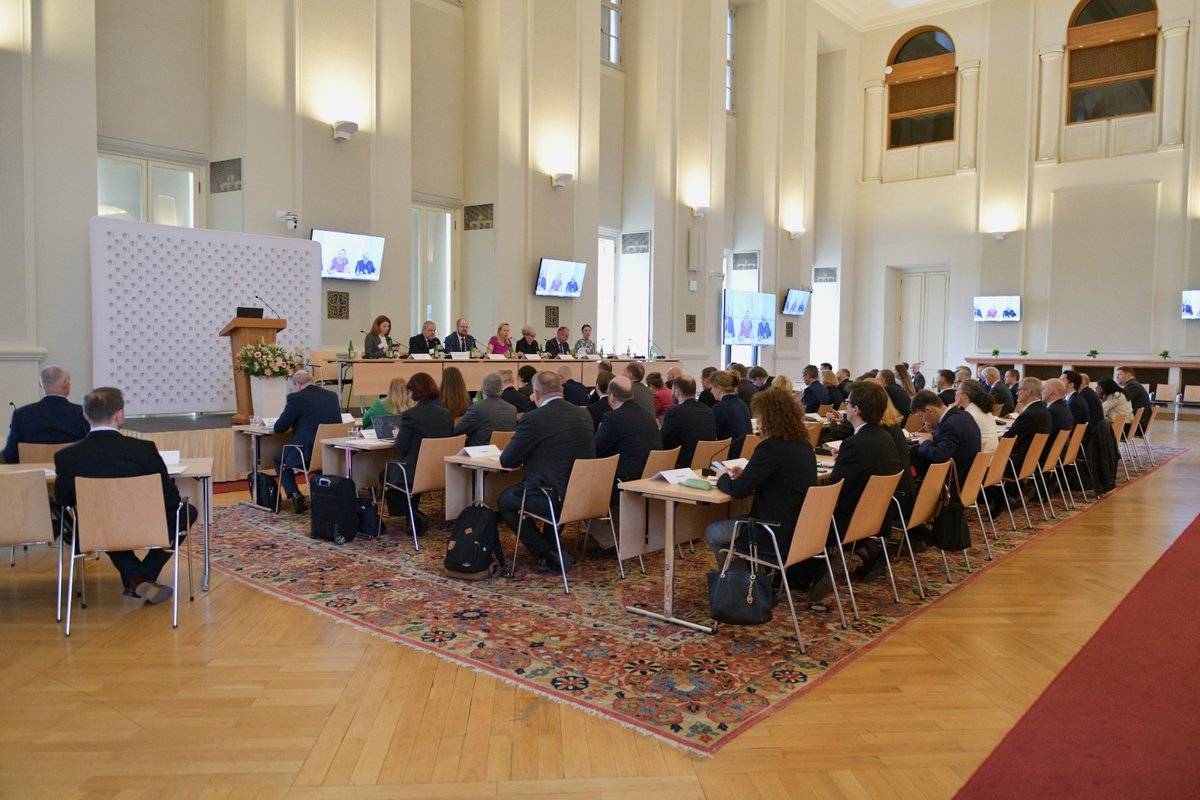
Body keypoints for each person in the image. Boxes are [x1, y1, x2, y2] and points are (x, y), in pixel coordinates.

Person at [54, 387, 197, 605]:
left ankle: (136, 577)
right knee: (187, 511)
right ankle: (141, 577)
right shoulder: (143, 450)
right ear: (119, 414)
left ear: (85, 415)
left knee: (98, 524)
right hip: (144, 525)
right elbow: (170, 499)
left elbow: (63, 500)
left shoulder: (66, 456)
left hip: (96, 529)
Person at [704, 388, 817, 573]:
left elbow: (739, 491)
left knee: (713, 531)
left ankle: (742, 584)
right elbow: (778, 478)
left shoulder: (770, 448)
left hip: (772, 532)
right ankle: (757, 577)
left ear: (768, 417)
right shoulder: (804, 445)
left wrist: (723, 475)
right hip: (799, 528)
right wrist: (748, 473)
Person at [810, 381, 904, 599]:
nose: (845, 406)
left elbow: (836, 488)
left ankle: (817, 567)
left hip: (847, 521)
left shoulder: (855, 443)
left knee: (802, 509)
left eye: (848, 403)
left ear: (856, 410)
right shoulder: (885, 437)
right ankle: (870, 551)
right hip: (875, 517)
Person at [498, 371, 596, 573]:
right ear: (561, 390)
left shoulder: (534, 419)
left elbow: (507, 460)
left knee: (505, 501)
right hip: (583, 493)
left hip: (552, 497)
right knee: (555, 481)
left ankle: (547, 552)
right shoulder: (584, 413)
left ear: (536, 393)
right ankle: (551, 551)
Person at [381, 372, 454, 534]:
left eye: (409, 391)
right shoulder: (446, 414)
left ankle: (412, 514)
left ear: (414, 392)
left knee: (385, 474)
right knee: (405, 473)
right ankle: (413, 515)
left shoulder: (410, 415)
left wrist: (398, 435)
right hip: (440, 471)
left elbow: (401, 449)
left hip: (415, 473)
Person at [272, 370, 342, 513]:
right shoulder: (332, 396)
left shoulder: (296, 398)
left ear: (297, 384)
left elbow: (279, 427)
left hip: (307, 454)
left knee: (279, 460)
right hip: (331, 452)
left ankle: (295, 494)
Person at [594, 376, 662, 509]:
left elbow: (595, 448)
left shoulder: (614, 417)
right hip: (651, 478)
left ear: (612, 396)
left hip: (625, 482)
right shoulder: (646, 414)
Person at [3, 365, 88, 463]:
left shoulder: (21, 414)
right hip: (70, 476)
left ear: (40, 384)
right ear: (66, 384)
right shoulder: (82, 413)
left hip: (33, 476)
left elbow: (9, 455)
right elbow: (89, 451)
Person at [910, 389, 982, 494]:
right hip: (970, 477)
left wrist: (924, 442)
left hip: (955, 481)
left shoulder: (949, 425)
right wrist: (936, 432)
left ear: (929, 410)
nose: (923, 421)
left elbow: (940, 456)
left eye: (921, 416)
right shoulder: (963, 415)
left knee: (914, 459)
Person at [660, 375, 717, 468]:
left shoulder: (675, 413)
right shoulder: (708, 410)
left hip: (681, 465)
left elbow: (663, 442)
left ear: (677, 391)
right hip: (705, 463)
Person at [453, 372, 516, 447]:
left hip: (479, 454)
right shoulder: (512, 409)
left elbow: (456, 432)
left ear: (482, 390)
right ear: (501, 390)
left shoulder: (477, 409)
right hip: (503, 453)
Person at [1003, 377, 1053, 471]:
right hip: (1033, 460)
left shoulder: (1029, 414)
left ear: (1028, 392)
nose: (1017, 393)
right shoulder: (1043, 408)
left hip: (1018, 463)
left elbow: (1007, 438)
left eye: (1019, 390)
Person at [710, 370, 752, 458]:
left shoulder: (720, 407)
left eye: (712, 387)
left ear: (719, 388)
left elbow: (713, 435)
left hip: (730, 455)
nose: (711, 391)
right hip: (746, 453)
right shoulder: (742, 404)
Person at [957, 380, 999, 453]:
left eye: (957, 390)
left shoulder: (969, 415)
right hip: (991, 459)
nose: (955, 392)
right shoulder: (983, 410)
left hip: (978, 460)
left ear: (964, 396)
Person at [1116, 365, 1153, 434]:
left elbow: (1120, 401)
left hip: (1137, 425)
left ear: (1128, 375)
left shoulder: (1132, 386)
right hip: (1138, 424)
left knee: (1104, 427)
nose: (1117, 377)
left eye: (1119, 374)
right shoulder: (1133, 384)